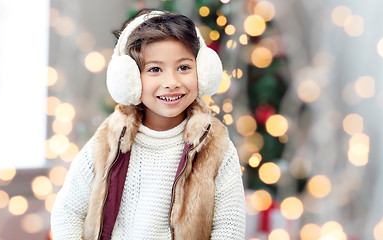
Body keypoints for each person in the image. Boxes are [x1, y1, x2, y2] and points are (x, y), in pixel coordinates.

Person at [51, 9, 246, 240]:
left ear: (202, 71)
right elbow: (67, 212)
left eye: (184, 67)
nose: (172, 82)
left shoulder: (216, 147)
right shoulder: (108, 141)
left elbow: (229, 228)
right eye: (155, 69)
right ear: (129, 79)